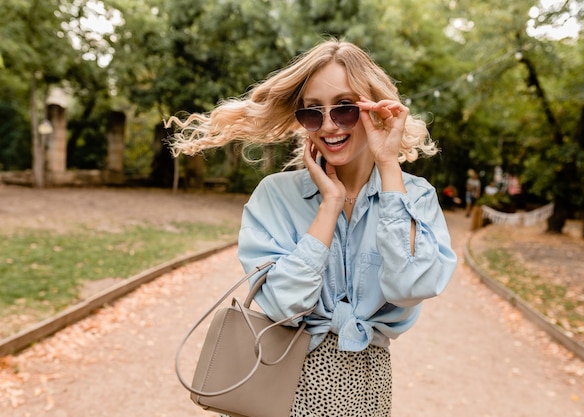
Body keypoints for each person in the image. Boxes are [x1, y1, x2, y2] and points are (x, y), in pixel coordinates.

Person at [167, 39, 457, 417]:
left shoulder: (415, 197)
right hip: (276, 383)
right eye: (312, 113)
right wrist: (329, 205)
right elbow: (285, 306)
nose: (329, 125)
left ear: (376, 110)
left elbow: (412, 286)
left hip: (366, 389)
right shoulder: (274, 195)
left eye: (345, 109)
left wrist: (388, 166)